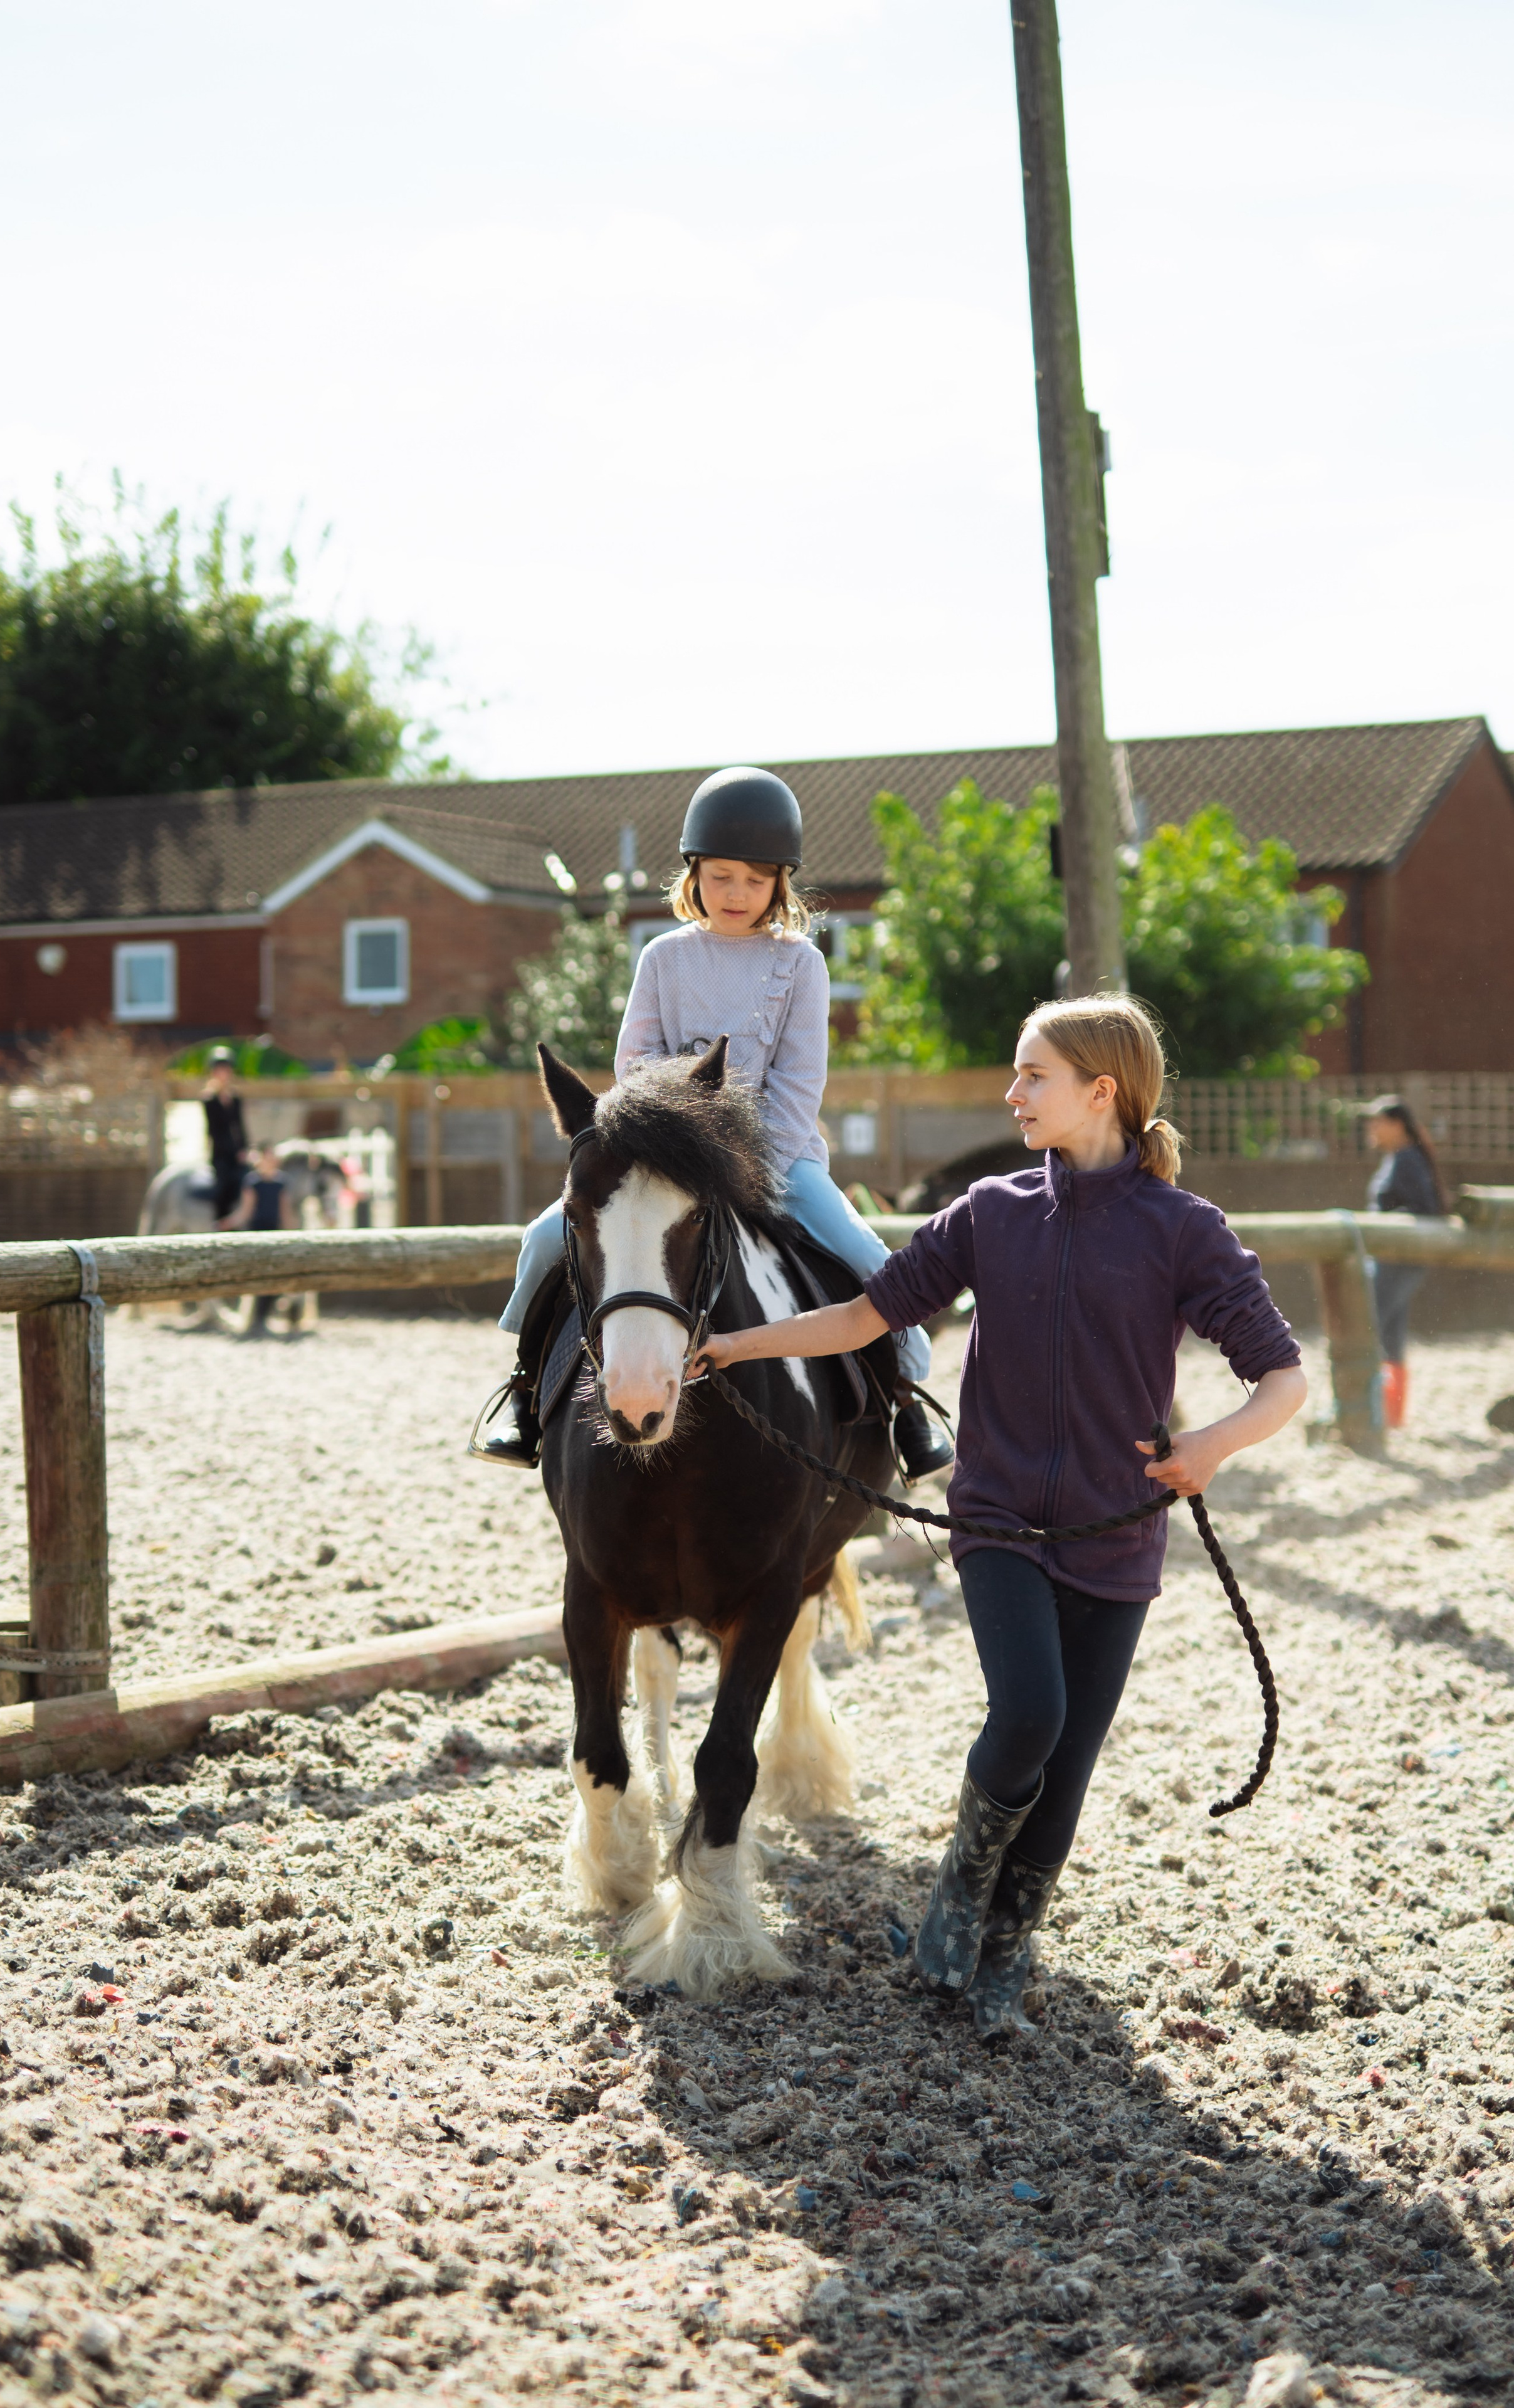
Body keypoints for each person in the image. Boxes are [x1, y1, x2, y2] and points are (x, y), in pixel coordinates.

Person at [692, 995, 1308, 2033]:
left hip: (1121, 1535)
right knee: (1030, 1714)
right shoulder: (990, 1211)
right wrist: (736, 1346)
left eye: (1033, 1076)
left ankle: (1003, 1956)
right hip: (998, 1520)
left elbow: (1283, 1379)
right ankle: (952, 1912)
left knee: (1065, 1766)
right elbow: (866, 1314)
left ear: (1100, 1091)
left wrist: (1209, 1448)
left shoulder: (1183, 1231)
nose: (1012, 1093)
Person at [470, 766, 955, 1481]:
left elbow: (797, 1086)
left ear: (779, 885)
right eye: (721, 876)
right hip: (661, 1162)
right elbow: (635, 1065)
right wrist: (674, 1155)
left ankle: (906, 1402)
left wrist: (742, 1170)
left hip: (782, 1164)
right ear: (693, 873)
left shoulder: (802, 966)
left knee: (866, 1259)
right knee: (547, 1237)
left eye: (755, 881)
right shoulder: (662, 958)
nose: (736, 894)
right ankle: (521, 1389)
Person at [1364, 1095, 1447, 1428]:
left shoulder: (1407, 1160)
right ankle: (1390, 1414)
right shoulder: (1399, 1158)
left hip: (1399, 1258)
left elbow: (1425, 1209)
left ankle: (1368, 1409)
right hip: (1393, 1258)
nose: (1372, 1129)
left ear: (1397, 1125)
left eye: (1377, 1122)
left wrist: (1389, 1224)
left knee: (1372, 1326)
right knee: (1390, 1332)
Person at [221, 1143, 293, 1336]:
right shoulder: (252, 1182)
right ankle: (255, 1320)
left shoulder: (281, 1182)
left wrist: (292, 1234)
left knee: (275, 1277)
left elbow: (285, 1212)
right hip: (258, 1233)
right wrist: (227, 1224)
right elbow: (246, 1211)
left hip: (275, 1233)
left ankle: (264, 1317)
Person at [201, 1047, 250, 1223]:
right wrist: (231, 1150)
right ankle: (219, 1221)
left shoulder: (236, 1098)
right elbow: (214, 1131)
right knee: (224, 1182)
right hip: (220, 1153)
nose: (224, 1074)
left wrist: (244, 1148)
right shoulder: (209, 1100)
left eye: (226, 1070)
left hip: (237, 1152)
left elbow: (240, 1127)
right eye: (220, 1070)